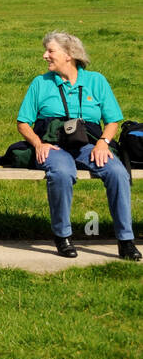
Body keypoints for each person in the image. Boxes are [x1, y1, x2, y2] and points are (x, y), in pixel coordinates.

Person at [16, 31, 138, 260]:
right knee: (62, 172)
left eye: (50, 51)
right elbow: (23, 123)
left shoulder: (96, 81)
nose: (45, 55)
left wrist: (103, 143)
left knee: (117, 172)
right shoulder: (40, 83)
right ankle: (62, 236)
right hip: (53, 146)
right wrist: (38, 143)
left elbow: (113, 121)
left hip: (89, 145)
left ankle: (126, 240)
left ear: (69, 54)